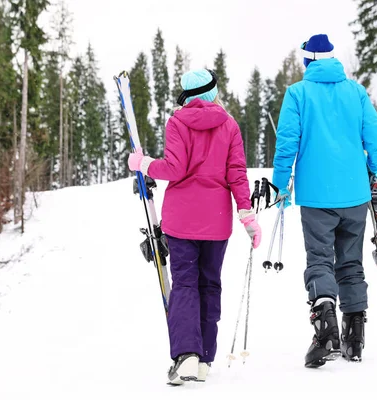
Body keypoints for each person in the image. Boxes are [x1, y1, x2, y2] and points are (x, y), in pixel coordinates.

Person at [127, 68, 262, 385]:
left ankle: (186, 355)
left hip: (181, 221)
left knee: (185, 284)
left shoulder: (177, 122)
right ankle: (203, 360)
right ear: (213, 93)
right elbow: (237, 174)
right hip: (216, 223)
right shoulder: (229, 126)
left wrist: (142, 164)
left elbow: (174, 168)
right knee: (209, 284)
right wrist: (247, 215)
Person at [271, 33, 377, 368]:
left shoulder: (297, 94)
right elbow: (374, 135)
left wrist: (281, 185)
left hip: (317, 195)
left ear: (307, 60)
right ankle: (355, 335)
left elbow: (287, 143)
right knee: (350, 261)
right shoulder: (356, 92)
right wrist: (375, 169)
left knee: (320, 259)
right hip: (354, 193)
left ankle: (326, 333)